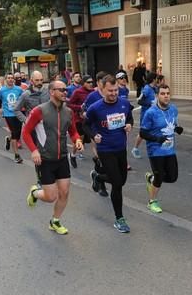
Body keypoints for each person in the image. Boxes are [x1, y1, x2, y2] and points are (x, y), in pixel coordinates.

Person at [23, 80, 84, 235]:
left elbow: (73, 131)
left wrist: (77, 140)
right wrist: (34, 150)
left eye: (65, 90)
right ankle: (35, 193)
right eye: (61, 90)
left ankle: (55, 221)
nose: (65, 92)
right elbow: (26, 132)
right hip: (45, 159)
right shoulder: (39, 111)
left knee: (64, 193)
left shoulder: (68, 112)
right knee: (50, 197)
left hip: (62, 158)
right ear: (51, 92)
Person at [85, 75, 134, 233]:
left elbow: (130, 118)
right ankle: (119, 219)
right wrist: (94, 135)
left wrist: (129, 125)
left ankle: (98, 177)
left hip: (121, 148)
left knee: (122, 180)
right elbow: (84, 125)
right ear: (102, 89)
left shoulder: (125, 103)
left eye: (116, 90)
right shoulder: (95, 108)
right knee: (117, 184)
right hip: (105, 150)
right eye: (110, 91)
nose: (114, 93)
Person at [140, 84, 183, 214]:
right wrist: (157, 139)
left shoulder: (174, 109)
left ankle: (151, 179)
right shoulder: (151, 112)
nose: (166, 96)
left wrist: (177, 129)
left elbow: (172, 125)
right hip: (155, 150)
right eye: (163, 94)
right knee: (159, 176)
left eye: (168, 94)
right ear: (157, 96)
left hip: (169, 149)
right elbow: (143, 133)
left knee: (172, 177)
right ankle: (152, 201)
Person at [67, 75, 95, 167]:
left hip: (91, 119)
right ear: (83, 83)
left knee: (95, 139)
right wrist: (80, 108)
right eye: (88, 82)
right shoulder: (78, 92)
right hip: (79, 119)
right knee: (80, 139)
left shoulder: (94, 92)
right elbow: (70, 104)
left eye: (92, 82)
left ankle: (99, 159)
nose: (91, 84)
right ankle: (73, 155)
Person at [0, 73, 25, 163]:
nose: (10, 79)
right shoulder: (2, 90)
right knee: (14, 133)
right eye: (8, 78)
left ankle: (8, 139)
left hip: (18, 113)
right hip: (8, 114)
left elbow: (24, 98)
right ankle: (16, 155)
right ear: (6, 79)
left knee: (18, 134)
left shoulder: (19, 89)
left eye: (12, 78)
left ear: (14, 80)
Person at [131, 72, 160, 158]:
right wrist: (149, 104)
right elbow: (139, 101)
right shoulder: (147, 89)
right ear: (153, 79)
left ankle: (155, 148)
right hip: (146, 114)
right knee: (143, 132)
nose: (157, 80)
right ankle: (135, 148)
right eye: (157, 78)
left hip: (153, 114)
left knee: (155, 130)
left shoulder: (154, 88)